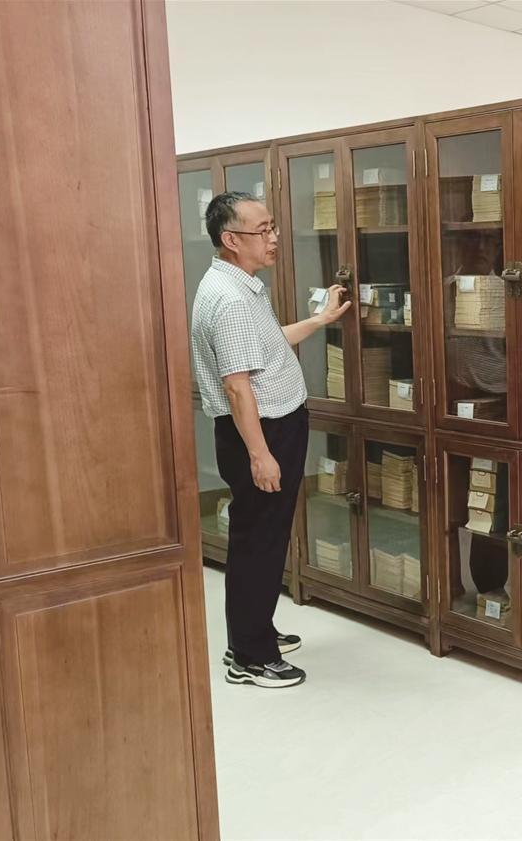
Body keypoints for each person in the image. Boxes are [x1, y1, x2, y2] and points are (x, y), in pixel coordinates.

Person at [191, 191, 351, 688]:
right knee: (259, 542)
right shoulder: (232, 300)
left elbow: (267, 343)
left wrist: (320, 320)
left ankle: (252, 630)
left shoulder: (238, 286)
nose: (274, 237)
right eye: (263, 230)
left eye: (273, 227)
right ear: (231, 239)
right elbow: (238, 387)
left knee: (261, 537)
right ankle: (250, 657)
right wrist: (260, 455)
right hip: (260, 432)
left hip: (268, 426)